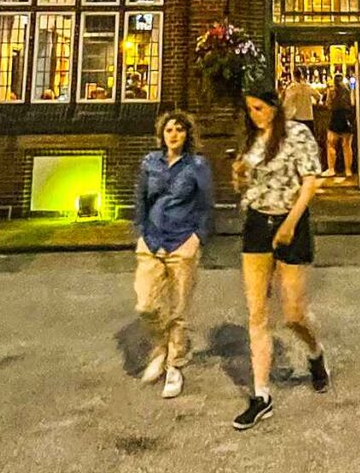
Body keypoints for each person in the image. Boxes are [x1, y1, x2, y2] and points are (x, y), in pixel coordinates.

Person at [230, 84, 330, 430]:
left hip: (291, 224)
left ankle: (315, 353)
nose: (254, 115)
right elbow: (246, 183)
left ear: (274, 105)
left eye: (259, 108)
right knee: (257, 313)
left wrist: (289, 223)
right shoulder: (252, 139)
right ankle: (261, 396)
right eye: (250, 110)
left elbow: (310, 182)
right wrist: (239, 176)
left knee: (293, 312)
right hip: (257, 223)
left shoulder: (298, 133)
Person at [133, 110, 213, 399]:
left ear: (187, 133)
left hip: (182, 242)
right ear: (162, 134)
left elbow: (205, 207)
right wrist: (141, 232)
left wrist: (196, 238)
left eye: (180, 129)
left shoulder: (197, 166)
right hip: (152, 241)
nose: (174, 134)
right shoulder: (149, 163)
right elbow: (140, 200)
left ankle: (174, 365)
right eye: (169, 130)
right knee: (146, 304)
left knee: (178, 310)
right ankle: (160, 346)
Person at [324, 73, 355, 180]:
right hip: (347, 116)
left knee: (331, 143)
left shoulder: (332, 90)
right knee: (346, 145)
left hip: (336, 116)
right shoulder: (349, 89)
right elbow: (353, 102)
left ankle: (331, 169)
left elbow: (328, 105)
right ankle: (348, 170)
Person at [281, 66, 316, 133]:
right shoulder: (308, 87)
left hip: (298, 119)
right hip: (309, 118)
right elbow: (318, 96)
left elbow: (286, 104)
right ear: (301, 75)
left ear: (293, 76)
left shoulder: (291, 89)